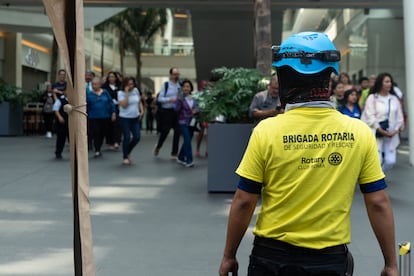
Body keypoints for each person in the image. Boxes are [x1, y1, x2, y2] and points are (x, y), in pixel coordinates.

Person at [219, 32, 397, 276]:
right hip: (330, 260)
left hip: (271, 259)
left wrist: (229, 255)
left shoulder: (267, 131)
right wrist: (390, 264)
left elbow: (244, 201)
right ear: (329, 77)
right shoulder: (358, 132)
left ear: (284, 79)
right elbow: (377, 202)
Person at [361, 72, 404, 172]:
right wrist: (379, 128)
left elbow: (400, 117)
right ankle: (377, 181)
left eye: (390, 82)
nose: (389, 84)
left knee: (390, 161)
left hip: (391, 133)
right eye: (387, 81)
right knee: (377, 160)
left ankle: (381, 174)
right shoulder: (372, 98)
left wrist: (396, 130)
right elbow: (369, 115)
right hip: (376, 133)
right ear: (380, 83)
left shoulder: (394, 99)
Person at [153, 67, 181, 159]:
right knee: (166, 130)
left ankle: (174, 153)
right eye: (174, 74)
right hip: (167, 111)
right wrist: (170, 99)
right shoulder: (166, 85)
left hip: (176, 111)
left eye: (177, 74)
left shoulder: (180, 85)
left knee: (177, 131)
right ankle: (158, 146)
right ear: (170, 75)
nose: (176, 76)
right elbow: (160, 99)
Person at [86, 77, 116, 158]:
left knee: (102, 133)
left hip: (105, 116)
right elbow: (86, 106)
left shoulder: (105, 93)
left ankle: (99, 146)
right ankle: (97, 150)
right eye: (92, 84)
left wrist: (113, 112)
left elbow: (111, 103)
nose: (93, 86)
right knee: (96, 132)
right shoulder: (89, 95)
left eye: (95, 84)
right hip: (93, 117)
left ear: (100, 85)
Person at [118, 77, 144, 165]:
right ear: (125, 85)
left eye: (132, 84)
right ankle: (125, 156)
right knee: (127, 136)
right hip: (124, 117)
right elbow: (124, 105)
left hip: (135, 117)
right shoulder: (120, 93)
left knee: (137, 137)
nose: (131, 86)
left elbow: (139, 101)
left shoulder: (136, 91)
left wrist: (142, 111)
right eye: (129, 84)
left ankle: (128, 150)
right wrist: (126, 93)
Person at [175, 79, 198, 168]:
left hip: (192, 122)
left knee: (187, 141)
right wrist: (179, 100)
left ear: (191, 88)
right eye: (184, 86)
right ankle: (189, 160)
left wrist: (196, 110)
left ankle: (180, 157)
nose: (186, 88)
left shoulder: (194, 97)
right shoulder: (180, 97)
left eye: (188, 86)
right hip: (183, 122)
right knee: (187, 140)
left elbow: (199, 107)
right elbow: (176, 109)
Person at [102, 71, 122, 150]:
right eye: (110, 77)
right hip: (108, 108)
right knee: (109, 125)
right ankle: (110, 141)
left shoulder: (119, 86)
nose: (111, 78)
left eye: (113, 77)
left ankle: (117, 141)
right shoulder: (105, 87)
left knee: (117, 125)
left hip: (118, 107)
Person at [52, 85, 69, 159]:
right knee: (61, 138)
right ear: (64, 91)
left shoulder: (73, 100)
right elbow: (55, 109)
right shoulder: (60, 100)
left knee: (72, 138)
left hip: (70, 122)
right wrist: (59, 117)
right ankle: (58, 152)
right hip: (62, 122)